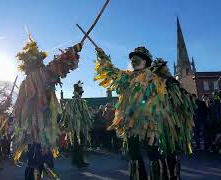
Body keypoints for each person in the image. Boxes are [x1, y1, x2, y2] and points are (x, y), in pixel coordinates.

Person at [94, 46, 196, 179]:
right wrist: (103, 57)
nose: (133, 60)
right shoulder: (127, 77)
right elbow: (111, 72)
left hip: (151, 124)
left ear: (146, 61)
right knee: (134, 155)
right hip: (130, 124)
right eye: (132, 58)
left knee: (154, 154)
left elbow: (166, 96)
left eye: (137, 58)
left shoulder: (154, 77)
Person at [12, 34, 82, 178]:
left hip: (42, 125)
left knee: (38, 158)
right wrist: (72, 52)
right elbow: (58, 65)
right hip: (36, 127)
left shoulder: (36, 76)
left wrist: (72, 52)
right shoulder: (35, 77)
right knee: (38, 159)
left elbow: (59, 65)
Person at [59, 81, 93, 168]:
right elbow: (85, 115)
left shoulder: (69, 102)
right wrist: (88, 123)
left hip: (73, 127)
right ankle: (79, 161)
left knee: (76, 143)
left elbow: (65, 115)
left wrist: (65, 124)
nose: (81, 94)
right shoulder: (80, 102)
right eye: (81, 92)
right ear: (79, 92)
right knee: (79, 143)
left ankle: (76, 160)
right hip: (79, 127)